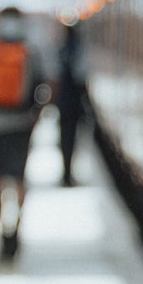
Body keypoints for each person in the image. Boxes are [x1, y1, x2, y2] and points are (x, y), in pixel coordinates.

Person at [0, 6, 48, 261]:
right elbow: (43, 88)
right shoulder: (31, 51)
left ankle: (2, 227)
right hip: (21, 123)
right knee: (20, 177)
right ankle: (18, 226)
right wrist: (34, 115)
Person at [53, 16, 87, 187]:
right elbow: (81, 77)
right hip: (74, 103)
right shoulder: (78, 50)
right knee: (72, 138)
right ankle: (67, 173)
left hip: (62, 102)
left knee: (64, 137)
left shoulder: (59, 50)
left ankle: (65, 172)